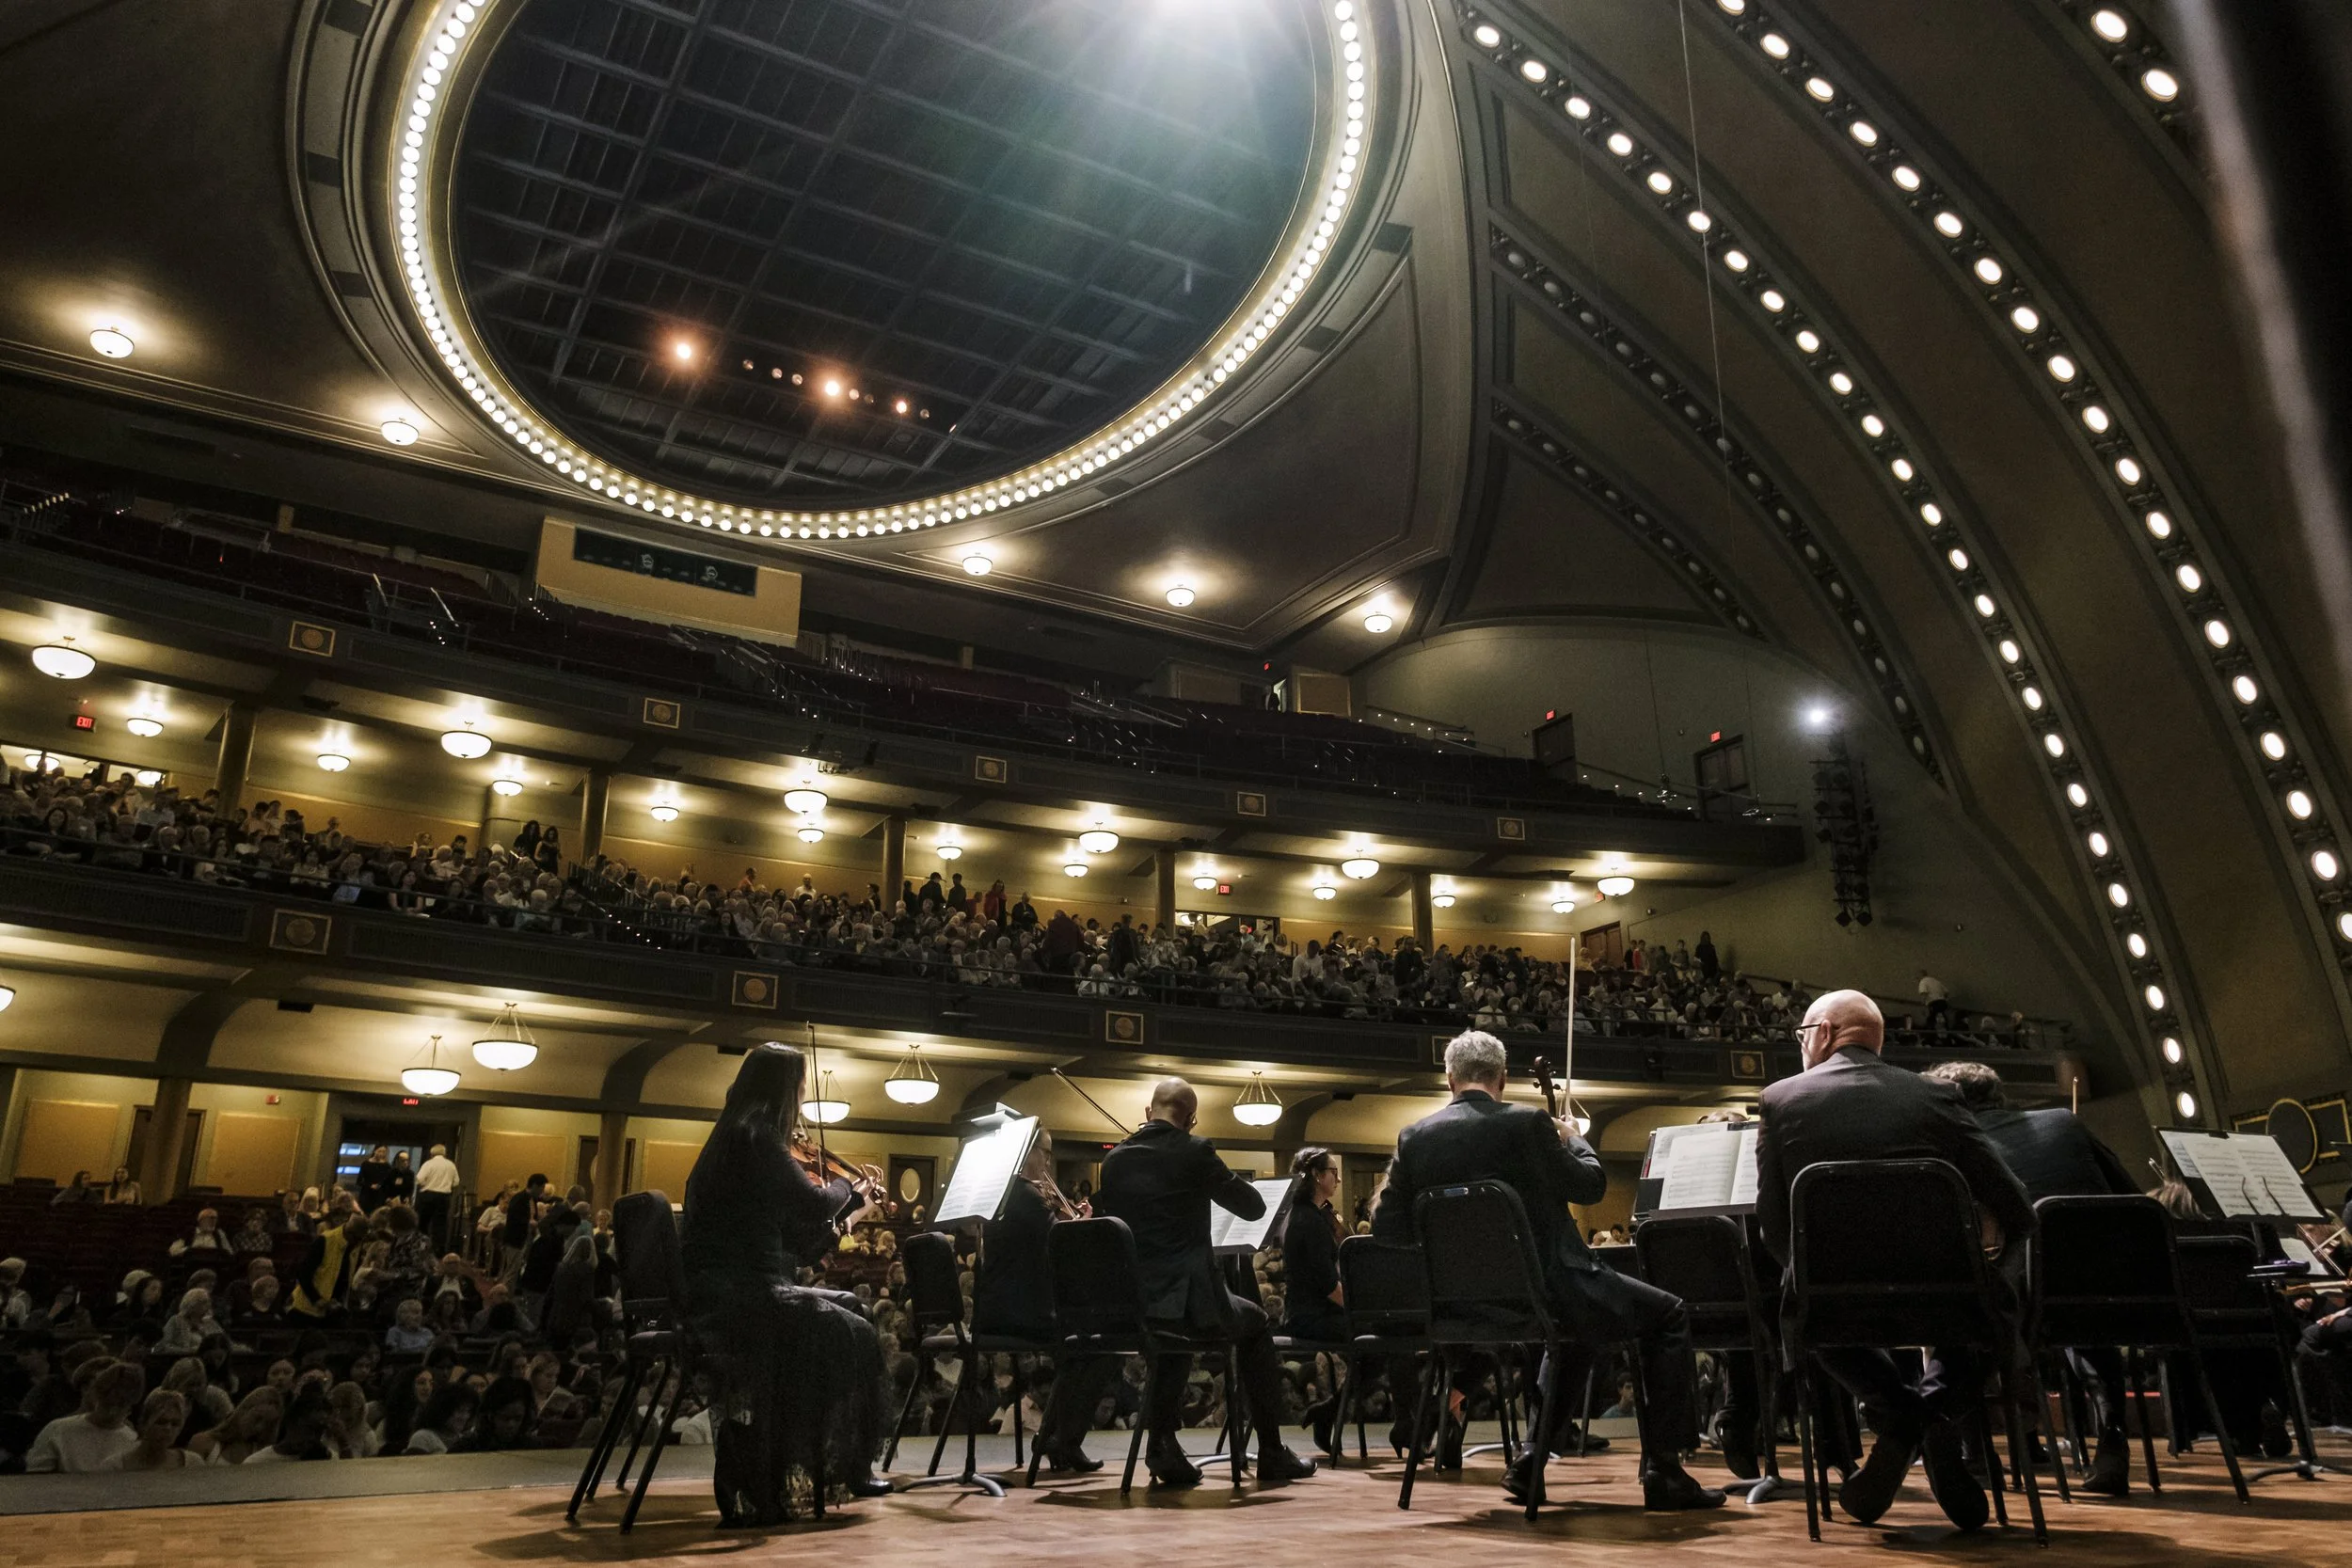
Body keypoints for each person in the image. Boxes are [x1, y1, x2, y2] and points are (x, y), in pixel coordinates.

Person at [1375, 1031, 1719, 1511]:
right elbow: (1591, 1186)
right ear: (1502, 1077)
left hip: (1461, 1307)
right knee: (1667, 1316)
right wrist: (1576, 1141)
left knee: (1583, 1330)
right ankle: (1665, 1471)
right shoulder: (1526, 1124)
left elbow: (1386, 1228)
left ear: (1449, 1079)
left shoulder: (1415, 1138)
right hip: (1551, 1289)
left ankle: (1533, 1459)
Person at [1755, 990, 2036, 1531]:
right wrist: (1990, 1277)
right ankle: (1931, 1417)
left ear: (1825, 1033)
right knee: (1993, 1312)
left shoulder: (1780, 1100)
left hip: (1834, 1306)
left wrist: (1810, 1280)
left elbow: (1772, 1223)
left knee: (1801, 1310)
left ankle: (1902, 1418)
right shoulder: (1938, 1096)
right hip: (1945, 1300)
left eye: (1801, 1035)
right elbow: (2016, 1207)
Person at [681, 1044, 892, 1525]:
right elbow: (815, 1202)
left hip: (735, 1289)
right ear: (782, 1091)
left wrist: (853, 1211)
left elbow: (795, 1245)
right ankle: (836, 1465)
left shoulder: (736, 1136)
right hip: (736, 1298)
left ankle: (849, 1465)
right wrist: (852, 1190)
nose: (800, 1103)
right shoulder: (754, 1136)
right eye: (799, 1092)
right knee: (850, 1328)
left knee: (852, 1309)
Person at [1093, 1076, 1318, 1489]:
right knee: (1255, 1323)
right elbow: (1251, 1208)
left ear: (1148, 1112)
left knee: (1175, 1332)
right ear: (1191, 1119)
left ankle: (1162, 1443)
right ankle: (1271, 1451)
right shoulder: (1194, 1151)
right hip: (1189, 1301)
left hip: (1137, 1304)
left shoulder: (1113, 1162)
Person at [971, 1126, 1117, 1473]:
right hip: (1022, 1311)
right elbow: (1060, 1254)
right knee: (1103, 1345)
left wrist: (1065, 1220)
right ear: (1026, 1151)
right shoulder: (1027, 1196)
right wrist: (1080, 1226)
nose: (1048, 1162)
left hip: (996, 1309)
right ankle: (1060, 1439)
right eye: (1045, 1152)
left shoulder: (1005, 1195)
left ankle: (1059, 1438)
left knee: (1083, 1347)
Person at [1279, 1146, 1349, 1455]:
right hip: (1312, 1316)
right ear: (1318, 1176)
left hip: (1309, 1311)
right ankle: (1330, 1411)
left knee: (1377, 1344)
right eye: (1333, 1172)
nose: (1338, 1179)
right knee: (1380, 1342)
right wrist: (1365, 1310)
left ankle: (1330, 1410)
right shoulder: (1308, 1221)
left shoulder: (1312, 1214)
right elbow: (1328, 1286)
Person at [25, 1359, 145, 1473]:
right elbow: (36, 1479)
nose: (112, 1412)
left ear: (130, 1407)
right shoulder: (58, 1431)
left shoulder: (133, 1442)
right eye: (107, 1404)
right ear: (96, 1397)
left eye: (120, 1405)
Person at [106, 1390, 197, 1470]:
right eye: (161, 1422)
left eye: (175, 1424)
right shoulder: (114, 1467)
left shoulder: (192, 1463)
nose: (168, 1428)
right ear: (144, 1424)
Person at [414, 1142, 461, 1248]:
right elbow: (456, 1182)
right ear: (444, 1154)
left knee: (423, 1222)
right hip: (444, 1197)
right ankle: (438, 1249)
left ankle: (422, 1246)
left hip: (428, 1195)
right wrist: (447, 1185)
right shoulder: (451, 1165)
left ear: (432, 1154)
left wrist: (427, 1184)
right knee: (440, 1224)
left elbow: (419, 1180)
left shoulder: (428, 1164)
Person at [357, 1146, 395, 1213]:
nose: (381, 1154)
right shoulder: (366, 1164)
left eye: (383, 1152)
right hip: (367, 1195)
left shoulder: (387, 1166)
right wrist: (370, 1185)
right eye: (380, 1151)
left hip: (380, 1196)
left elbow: (389, 1182)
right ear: (375, 1151)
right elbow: (359, 1181)